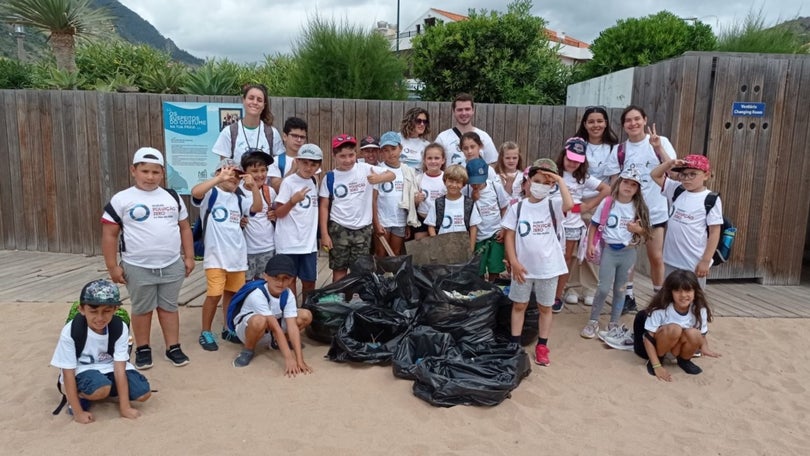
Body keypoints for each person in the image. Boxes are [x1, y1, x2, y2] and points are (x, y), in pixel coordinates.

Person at [101, 147, 194, 370]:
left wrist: (189, 257)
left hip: (171, 264)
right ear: (134, 170)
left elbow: (184, 228)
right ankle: (143, 347)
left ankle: (173, 346)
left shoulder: (172, 197)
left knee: (169, 307)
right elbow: (110, 234)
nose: (150, 177)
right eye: (145, 171)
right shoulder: (122, 199)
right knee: (142, 308)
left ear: (163, 172)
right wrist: (112, 266)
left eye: (155, 172)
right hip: (137, 266)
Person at [502, 158, 573, 366]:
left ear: (552, 186)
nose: (541, 186)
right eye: (537, 180)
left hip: (548, 269)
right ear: (528, 181)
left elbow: (570, 205)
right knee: (519, 305)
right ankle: (515, 344)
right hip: (522, 268)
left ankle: (542, 345)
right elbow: (509, 235)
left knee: (545, 308)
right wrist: (513, 261)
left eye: (546, 182)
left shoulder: (554, 205)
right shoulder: (518, 207)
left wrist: (559, 180)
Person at [50, 280, 151, 423]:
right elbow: (67, 372)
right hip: (83, 370)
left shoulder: (119, 327)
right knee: (100, 389)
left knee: (143, 393)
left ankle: (105, 390)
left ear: (115, 310)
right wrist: (78, 413)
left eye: (107, 311)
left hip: (110, 368)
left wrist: (125, 408)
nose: (100, 318)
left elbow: (120, 368)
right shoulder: (71, 331)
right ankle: (80, 396)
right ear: (82, 309)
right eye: (93, 311)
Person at [610, 106, 677, 312]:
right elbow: (614, 180)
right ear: (623, 125)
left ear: (645, 120)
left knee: (656, 257)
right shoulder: (620, 150)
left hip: (656, 210)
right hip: (629, 211)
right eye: (628, 120)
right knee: (628, 256)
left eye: (637, 119)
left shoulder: (661, 141)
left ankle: (659, 297)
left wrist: (658, 148)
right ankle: (627, 296)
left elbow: (673, 169)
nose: (633, 123)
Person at [191, 159, 262, 351]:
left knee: (231, 294)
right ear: (218, 173)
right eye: (229, 173)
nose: (233, 178)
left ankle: (227, 327)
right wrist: (218, 179)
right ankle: (205, 331)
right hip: (215, 257)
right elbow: (196, 193)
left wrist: (254, 187)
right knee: (214, 294)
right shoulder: (211, 194)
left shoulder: (239, 198)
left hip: (237, 257)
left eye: (237, 175)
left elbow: (257, 208)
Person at [580, 168, 651, 340]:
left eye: (633, 185)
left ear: (638, 189)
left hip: (628, 252)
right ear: (619, 183)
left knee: (621, 289)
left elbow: (648, 232)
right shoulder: (607, 203)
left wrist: (637, 229)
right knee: (603, 288)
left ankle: (614, 323)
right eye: (626, 182)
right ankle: (593, 321)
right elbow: (595, 225)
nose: (629, 187)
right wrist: (590, 244)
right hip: (609, 251)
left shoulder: (639, 206)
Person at [319, 134, 395, 283]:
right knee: (339, 269)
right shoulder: (329, 177)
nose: (347, 160)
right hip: (338, 228)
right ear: (334, 155)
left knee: (361, 270)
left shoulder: (366, 169)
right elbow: (324, 206)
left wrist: (380, 178)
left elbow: (391, 174)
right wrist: (324, 234)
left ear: (356, 154)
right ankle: (339, 299)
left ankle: (357, 301)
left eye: (351, 155)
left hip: (363, 229)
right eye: (342, 156)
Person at [566, 106, 622, 306]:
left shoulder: (614, 148)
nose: (595, 125)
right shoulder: (576, 145)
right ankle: (570, 286)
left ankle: (590, 288)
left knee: (593, 246)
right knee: (571, 246)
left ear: (606, 123)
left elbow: (614, 180)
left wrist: (599, 203)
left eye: (600, 121)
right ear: (584, 124)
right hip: (575, 204)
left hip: (600, 203)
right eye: (591, 121)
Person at [551, 137, 610, 313]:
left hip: (571, 223)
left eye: (577, 161)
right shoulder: (553, 172)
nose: (572, 163)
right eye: (570, 158)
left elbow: (607, 189)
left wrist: (589, 205)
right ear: (563, 155)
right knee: (546, 258)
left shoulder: (583, 177)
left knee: (565, 259)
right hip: (551, 222)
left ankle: (557, 295)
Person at [232, 255, 313, 373]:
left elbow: (292, 326)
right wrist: (289, 358)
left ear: (291, 280)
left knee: (305, 315)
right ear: (265, 276)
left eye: (285, 278)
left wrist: (300, 360)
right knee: (259, 320)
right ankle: (248, 350)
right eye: (275, 277)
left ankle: (276, 343)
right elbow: (276, 328)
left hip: (270, 330)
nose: (280, 282)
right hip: (250, 330)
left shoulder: (288, 294)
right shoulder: (257, 295)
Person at [651, 154, 723, 289]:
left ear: (706, 175)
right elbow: (655, 175)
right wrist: (670, 164)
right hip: (671, 259)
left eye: (692, 174)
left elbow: (714, 232)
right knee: (670, 297)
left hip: (693, 262)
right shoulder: (676, 190)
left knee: (693, 299)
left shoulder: (710, 199)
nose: (687, 179)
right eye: (683, 175)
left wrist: (706, 260)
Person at [637, 270, 720, 382]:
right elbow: (648, 339)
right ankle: (659, 360)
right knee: (674, 329)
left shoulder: (699, 310)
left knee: (694, 333)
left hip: (677, 348)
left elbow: (702, 335)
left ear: (695, 291)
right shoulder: (661, 309)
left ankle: (684, 360)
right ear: (670, 292)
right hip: (655, 348)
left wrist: (705, 348)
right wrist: (656, 366)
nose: (683, 295)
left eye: (688, 290)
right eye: (677, 291)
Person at [274, 144, 323, 301]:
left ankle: (308, 315)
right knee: (289, 282)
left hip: (308, 244)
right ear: (297, 162)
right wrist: (292, 201)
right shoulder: (288, 182)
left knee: (309, 282)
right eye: (305, 163)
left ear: (319, 166)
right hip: (288, 243)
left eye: (313, 164)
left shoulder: (314, 182)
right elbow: (278, 213)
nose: (308, 167)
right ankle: (291, 315)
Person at [212, 84, 284, 164]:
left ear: (264, 105)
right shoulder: (229, 132)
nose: (255, 102)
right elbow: (225, 168)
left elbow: (278, 165)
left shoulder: (272, 133)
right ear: (243, 100)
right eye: (251, 98)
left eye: (259, 100)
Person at [373, 131, 419, 256]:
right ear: (381, 152)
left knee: (396, 252)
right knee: (381, 252)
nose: (390, 153)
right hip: (383, 220)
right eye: (386, 150)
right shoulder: (378, 170)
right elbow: (373, 199)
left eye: (393, 148)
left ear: (400, 149)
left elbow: (408, 199)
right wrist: (376, 223)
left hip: (400, 220)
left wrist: (407, 223)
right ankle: (380, 276)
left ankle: (393, 276)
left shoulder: (407, 171)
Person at [466, 158, 509, 281]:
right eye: (472, 182)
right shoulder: (467, 190)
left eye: (479, 182)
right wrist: (473, 198)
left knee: (494, 266)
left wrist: (503, 228)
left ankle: (493, 287)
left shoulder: (495, 187)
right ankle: (480, 288)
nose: (475, 185)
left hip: (495, 234)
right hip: (478, 235)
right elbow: (466, 212)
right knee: (478, 267)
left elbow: (504, 208)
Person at [424, 164, 482, 252]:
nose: (454, 185)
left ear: (463, 184)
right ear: (445, 181)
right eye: (451, 181)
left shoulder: (469, 203)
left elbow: (473, 227)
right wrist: (437, 244)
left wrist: (471, 248)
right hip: (442, 248)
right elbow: (431, 226)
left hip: (463, 247)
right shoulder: (437, 203)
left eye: (458, 182)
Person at [240, 151, 277, 281]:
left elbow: (275, 212)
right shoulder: (238, 192)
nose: (260, 175)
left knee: (265, 283)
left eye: (263, 170)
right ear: (244, 172)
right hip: (246, 250)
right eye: (255, 171)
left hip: (268, 247)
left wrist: (274, 215)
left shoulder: (269, 191)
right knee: (245, 284)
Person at [435, 93, 498, 166]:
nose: (464, 113)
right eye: (460, 110)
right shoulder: (442, 138)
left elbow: (492, 164)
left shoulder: (484, 137)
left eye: (467, 109)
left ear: (473, 110)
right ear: (453, 111)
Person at [412, 143, 446, 240]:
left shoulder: (447, 178)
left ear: (443, 160)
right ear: (424, 160)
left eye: (436, 158)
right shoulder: (418, 179)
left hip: (441, 220)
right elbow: (411, 205)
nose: (433, 161)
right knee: (421, 250)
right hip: (422, 219)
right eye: (429, 158)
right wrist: (416, 200)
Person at [268, 116, 309, 192]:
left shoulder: (311, 160)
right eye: (295, 136)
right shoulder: (275, 161)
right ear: (285, 136)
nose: (299, 140)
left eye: (302, 137)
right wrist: (293, 170)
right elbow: (276, 189)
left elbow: (314, 186)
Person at [398, 107, 431, 172]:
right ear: (409, 121)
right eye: (418, 121)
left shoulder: (427, 145)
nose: (422, 124)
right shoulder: (396, 139)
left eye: (425, 121)